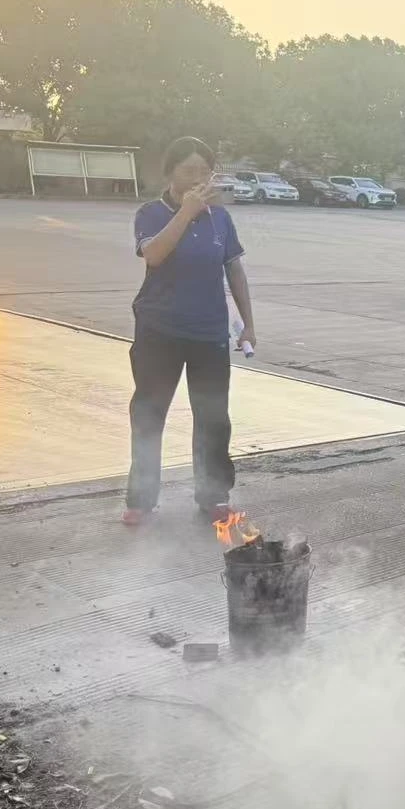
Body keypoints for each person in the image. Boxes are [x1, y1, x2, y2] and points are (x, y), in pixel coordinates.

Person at [125, 136, 255, 528]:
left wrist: (248, 324)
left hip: (209, 332)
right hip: (159, 331)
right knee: (149, 414)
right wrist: (185, 212)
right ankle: (141, 500)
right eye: (188, 171)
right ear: (171, 173)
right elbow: (154, 255)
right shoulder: (151, 213)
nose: (197, 179)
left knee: (213, 417)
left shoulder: (221, 219)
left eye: (204, 171)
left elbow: (234, 270)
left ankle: (214, 496)